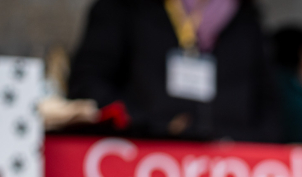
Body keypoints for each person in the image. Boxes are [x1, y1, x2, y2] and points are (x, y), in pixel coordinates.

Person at [67, 0, 282, 142]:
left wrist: (233, 142)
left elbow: (270, 110)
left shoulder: (247, 20)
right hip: (140, 164)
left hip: (228, 173)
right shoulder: (124, 8)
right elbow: (87, 85)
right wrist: (152, 128)